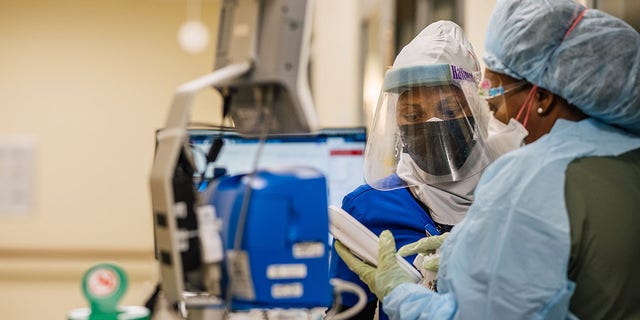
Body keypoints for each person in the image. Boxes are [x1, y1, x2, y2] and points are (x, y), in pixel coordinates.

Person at [335, 0, 640, 319]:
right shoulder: (624, 158)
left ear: (542, 98)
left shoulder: (530, 179)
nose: (499, 112)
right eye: (411, 113)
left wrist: (402, 294)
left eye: (498, 97)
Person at [329, 21, 505, 319]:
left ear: (476, 109)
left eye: (449, 110)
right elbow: (343, 312)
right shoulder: (367, 210)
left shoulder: (514, 198)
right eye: (411, 114)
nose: (430, 124)